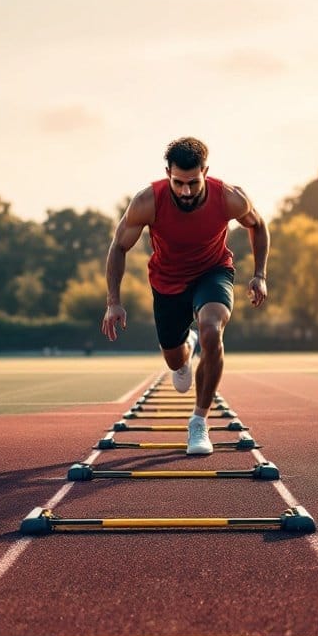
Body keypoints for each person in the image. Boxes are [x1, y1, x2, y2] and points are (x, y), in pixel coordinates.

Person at [101, 137, 269, 455]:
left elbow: (258, 225)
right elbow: (119, 246)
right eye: (178, 183)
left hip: (213, 272)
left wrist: (259, 274)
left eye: (193, 182)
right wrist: (113, 301)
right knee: (175, 359)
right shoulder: (147, 201)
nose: (186, 191)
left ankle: (198, 423)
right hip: (167, 282)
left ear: (205, 171)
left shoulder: (229, 198)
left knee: (211, 330)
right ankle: (185, 349)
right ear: (168, 173)